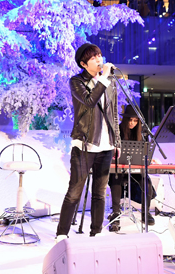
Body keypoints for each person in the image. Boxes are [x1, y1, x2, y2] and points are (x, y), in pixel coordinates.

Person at [56, 44, 120, 242]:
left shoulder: (110, 82)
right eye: (93, 58)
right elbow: (90, 101)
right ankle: (61, 234)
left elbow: (114, 112)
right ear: (84, 64)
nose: (99, 59)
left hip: (106, 145)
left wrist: (116, 141)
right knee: (74, 192)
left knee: (100, 193)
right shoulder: (77, 81)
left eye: (99, 55)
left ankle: (96, 232)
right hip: (84, 144)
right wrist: (103, 77)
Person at [107, 105, 155, 231]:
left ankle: (145, 213)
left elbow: (144, 153)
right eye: (130, 120)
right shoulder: (117, 131)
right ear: (125, 119)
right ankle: (115, 215)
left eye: (135, 121)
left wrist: (148, 158)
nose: (132, 123)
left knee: (147, 183)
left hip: (135, 170)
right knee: (116, 179)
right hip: (118, 169)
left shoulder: (142, 134)